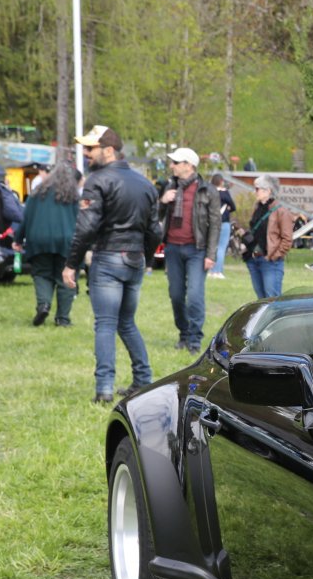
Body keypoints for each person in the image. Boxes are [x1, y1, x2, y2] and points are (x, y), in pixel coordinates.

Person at [63, 124, 158, 404]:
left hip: (109, 257)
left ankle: (104, 388)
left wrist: (71, 264)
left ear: (109, 150)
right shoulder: (145, 183)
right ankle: (143, 380)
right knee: (126, 323)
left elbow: (86, 228)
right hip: (135, 258)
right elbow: (155, 230)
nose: (85, 153)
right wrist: (146, 257)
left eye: (90, 148)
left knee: (105, 324)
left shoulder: (97, 180)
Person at [159, 146, 221, 352]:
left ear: (189, 165)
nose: (172, 166)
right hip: (172, 248)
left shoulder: (207, 190)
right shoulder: (169, 186)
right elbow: (155, 215)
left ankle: (194, 339)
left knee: (194, 296)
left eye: (176, 162)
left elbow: (215, 225)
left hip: (197, 250)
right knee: (176, 295)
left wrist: (211, 255)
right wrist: (162, 201)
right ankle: (183, 334)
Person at [13, 161, 79, 327]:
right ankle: (62, 318)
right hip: (66, 241)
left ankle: (44, 304)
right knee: (66, 278)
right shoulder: (73, 195)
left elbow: (26, 217)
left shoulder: (37, 192)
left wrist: (18, 239)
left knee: (42, 274)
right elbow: (80, 220)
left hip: (39, 239)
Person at [240, 174, 293, 298]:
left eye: (257, 189)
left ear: (268, 191)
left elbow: (287, 239)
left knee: (272, 300)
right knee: (261, 300)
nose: (255, 192)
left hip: (270, 262)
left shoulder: (281, 211)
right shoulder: (257, 208)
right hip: (253, 259)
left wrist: (273, 256)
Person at [210, 174, 235, 279]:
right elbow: (233, 207)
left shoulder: (210, 192)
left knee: (212, 247)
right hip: (223, 222)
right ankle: (217, 271)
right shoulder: (225, 193)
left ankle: (211, 270)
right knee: (221, 247)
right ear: (221, 181)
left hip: (211, 222)